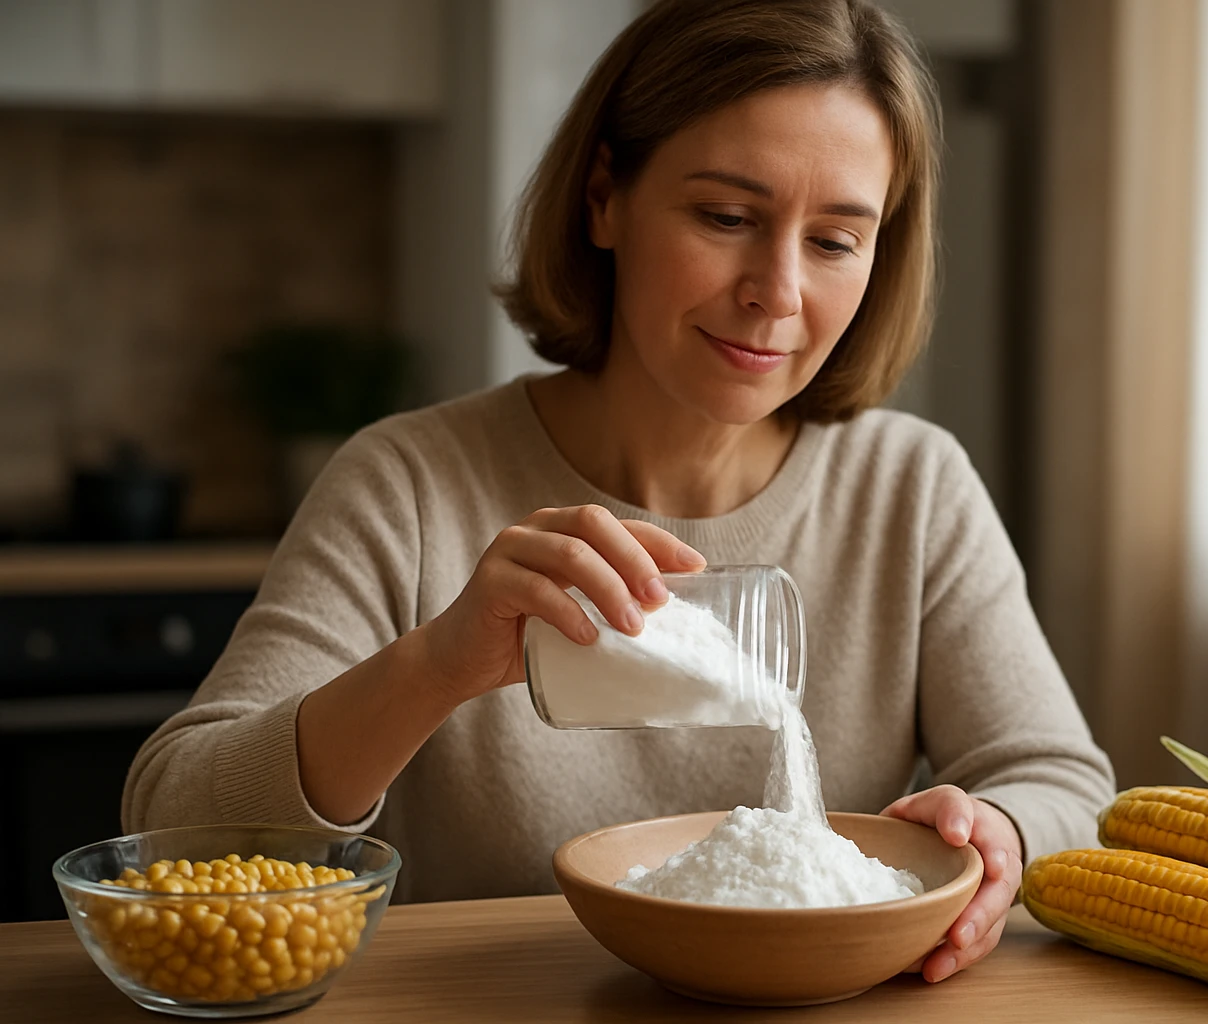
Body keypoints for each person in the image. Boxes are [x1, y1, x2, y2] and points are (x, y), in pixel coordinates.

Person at [124, 0, 1114, 984]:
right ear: (604, 197)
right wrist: (434, 664)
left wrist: (1000, 831)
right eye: (727, 217)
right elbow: (170, 828)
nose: (777, 290)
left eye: (834, 240)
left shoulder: (912, 487)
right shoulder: (412, 486)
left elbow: (1063, 783)